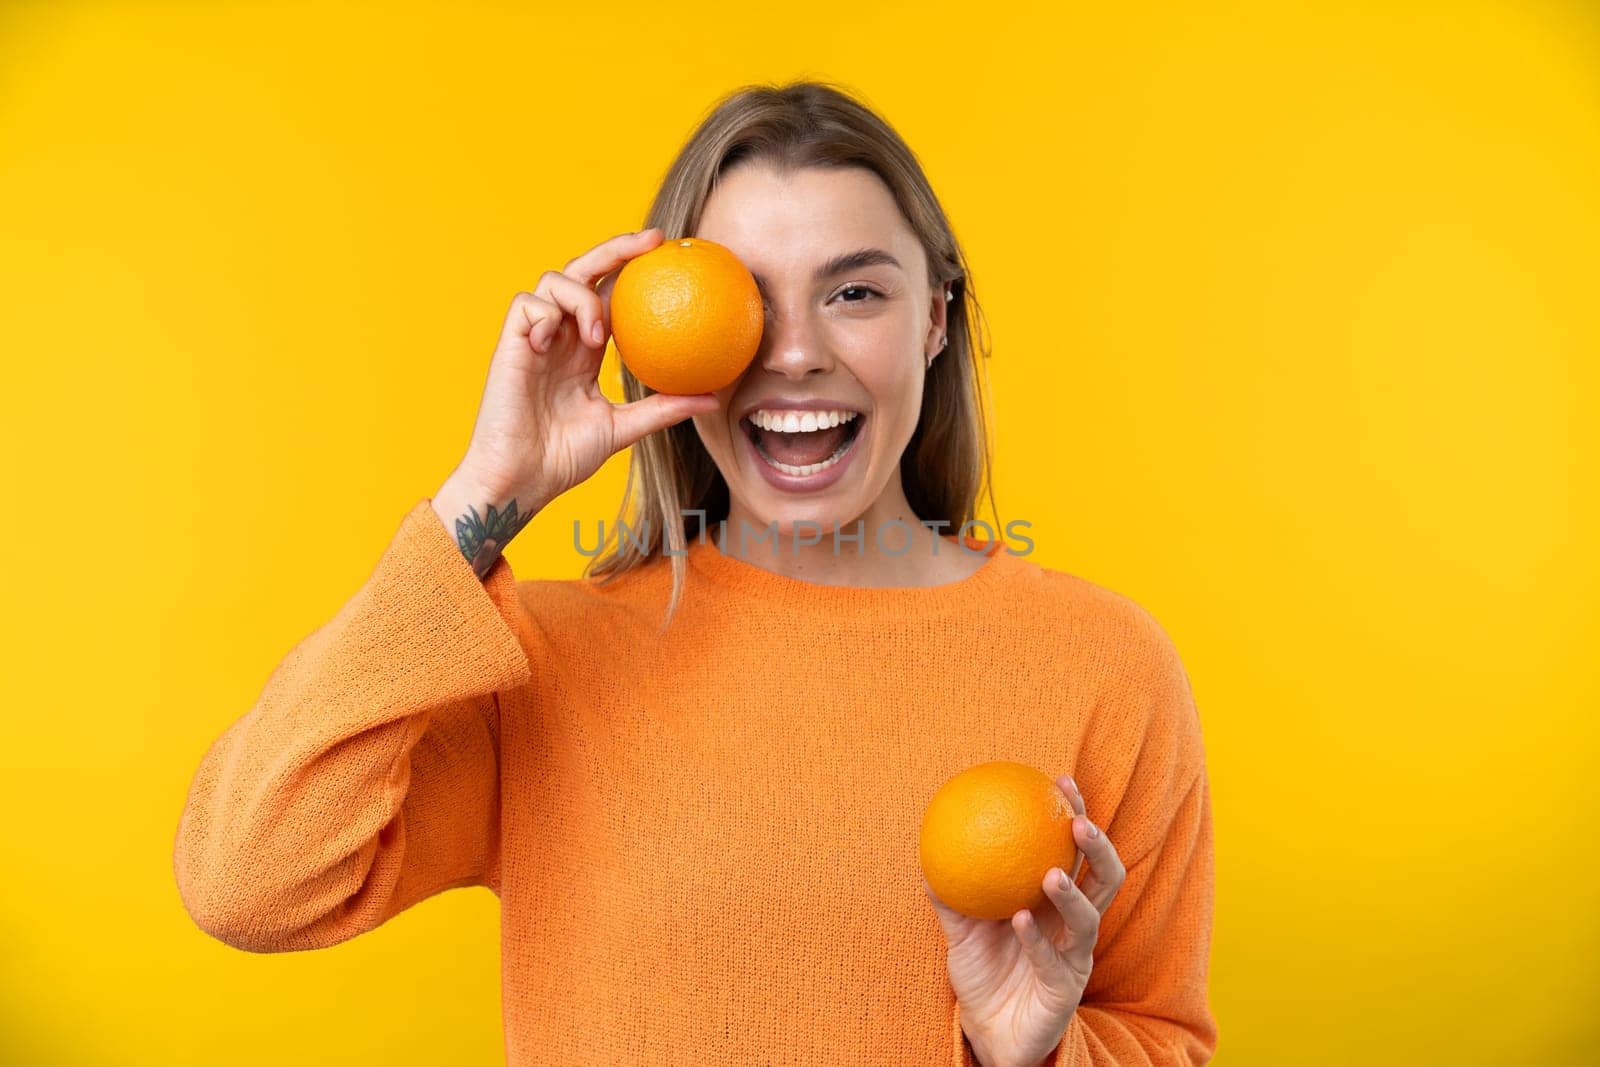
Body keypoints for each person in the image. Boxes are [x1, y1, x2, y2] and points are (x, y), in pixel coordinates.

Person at [173, 80, 1217, 1066]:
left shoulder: (1103, 663)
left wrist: (1028, 1051)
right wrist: (485, 493)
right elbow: (248, 880)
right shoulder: (543, 661)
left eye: (854, 289)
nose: (794, 352)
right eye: (742, 297)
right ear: (655, 331)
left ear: (936, 319)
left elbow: (1160, 1031)